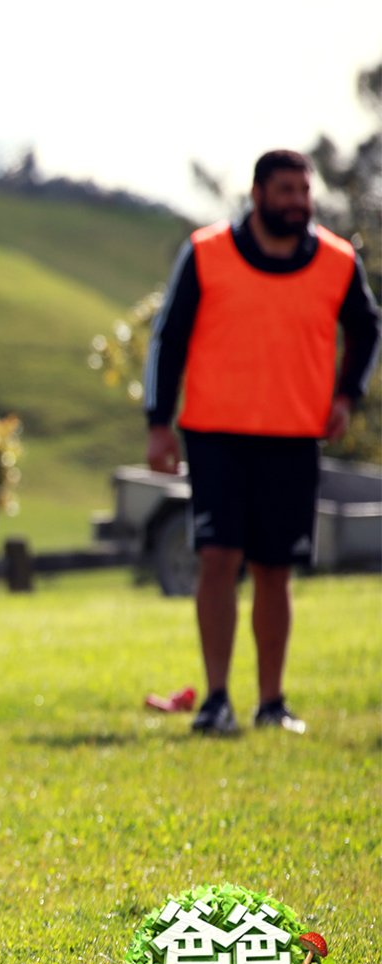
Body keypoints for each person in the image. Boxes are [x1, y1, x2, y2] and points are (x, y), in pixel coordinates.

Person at [145, 149, 379, 735]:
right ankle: (216, 698)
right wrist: (158, 422)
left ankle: (272, 703)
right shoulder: (206, 253)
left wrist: (346, 396)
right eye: (286, 192)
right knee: (218, 558)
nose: (298, 202)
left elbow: (367, 327)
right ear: (257, 195)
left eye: (304, 192)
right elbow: (167, 340)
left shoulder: (337, 260)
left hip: (294, 435)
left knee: (276, 569)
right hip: (215, 431)